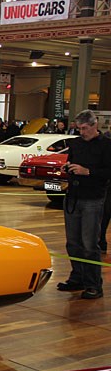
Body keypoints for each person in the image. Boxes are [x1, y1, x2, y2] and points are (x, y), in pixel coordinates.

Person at [56, 110, 111, 300]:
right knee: (73, 243)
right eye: (78, 129)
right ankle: (77, 277)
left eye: (85, 128)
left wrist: (87, 172)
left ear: (95, 125)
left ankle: (94, 284)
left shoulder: (106, 145)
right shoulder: (76, 143)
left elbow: (107, 172)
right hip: (73, 197)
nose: (82, 132)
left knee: (89, 244)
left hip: (93, 199)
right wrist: (68, 168)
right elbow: (72, 162)